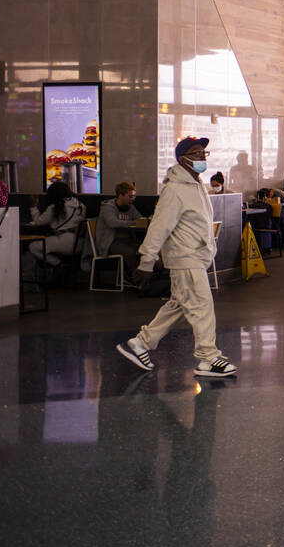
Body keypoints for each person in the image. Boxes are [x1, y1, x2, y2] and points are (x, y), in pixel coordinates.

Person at [116, 137, 237, 378]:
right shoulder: (175, 190)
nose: (203, 157)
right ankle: (208, 358)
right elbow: (159, 227)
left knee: (180, 304)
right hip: (186, 257)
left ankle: (140, 343)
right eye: (196, 153)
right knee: (202, 306)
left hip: (195, 257)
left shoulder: (195, 184)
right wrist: (146, 262)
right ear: (183, 160)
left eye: (204, 153)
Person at [27, 180, 84, 264]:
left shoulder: (55, 207)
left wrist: (33, 206)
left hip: (63, 241)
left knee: (33, 247)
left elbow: (39, 221)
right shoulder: (81, 205)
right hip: (80, 243)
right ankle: (62, 265)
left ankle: (57, 263)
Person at [96, 181, 143, 276]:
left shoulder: (131, 208)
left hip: (127, 240)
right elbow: (113, 223)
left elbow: (140, 220)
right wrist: (135, 223)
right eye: (130, 196)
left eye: (134, 196)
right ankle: (137, 278)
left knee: (147, 248)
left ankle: (145, 277)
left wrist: (142, 221)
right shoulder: (108, 207)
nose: (133, 199)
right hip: (110, 242)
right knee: (129, 252)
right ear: (120, 195)